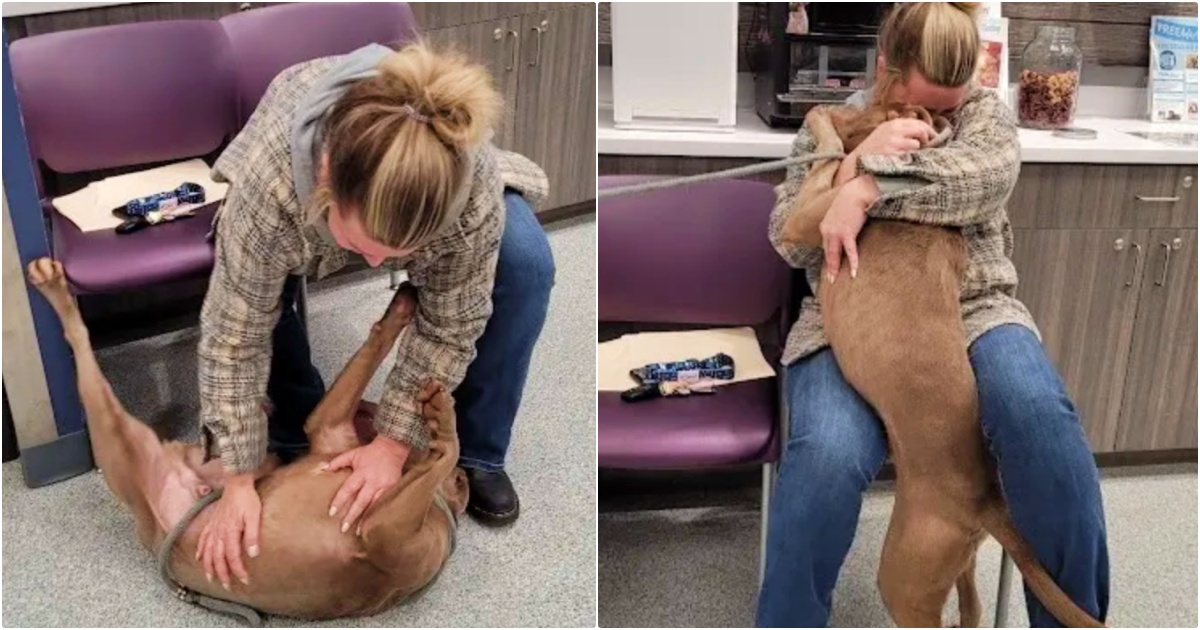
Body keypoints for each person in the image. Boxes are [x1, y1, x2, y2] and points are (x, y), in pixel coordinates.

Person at [757, 3, 1109, 627]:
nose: (944, 116)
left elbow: (984, 179)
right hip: (846, 317)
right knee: (825, 460)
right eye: (929, 102)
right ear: (887, 65)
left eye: (955, 100)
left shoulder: (984, 115)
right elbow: (790, 237)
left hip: (974, 304)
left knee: (1043, 427)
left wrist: (870, 181)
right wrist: (844, 164)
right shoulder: (828, 124)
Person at [194, 41, 554, 588]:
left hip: (424, 189)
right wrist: (238, 477)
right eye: (361, 244)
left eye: (398, 252)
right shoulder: (270, 190)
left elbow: (451, 325)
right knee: (263, 297)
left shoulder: (471, 186)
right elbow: (233, 337)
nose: (376, 265)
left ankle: (477, 451)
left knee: (526, 262)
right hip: (288, 174)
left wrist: (394, 441)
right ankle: (292, 424)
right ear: (326, 178)